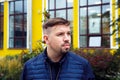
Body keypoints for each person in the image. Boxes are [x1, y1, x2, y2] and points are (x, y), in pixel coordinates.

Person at [21, 17, 95, 80]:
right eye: (60, 34)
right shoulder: (30, 67)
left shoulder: (82, 65)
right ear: (46, 39)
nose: (67, 39)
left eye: (68, 34)